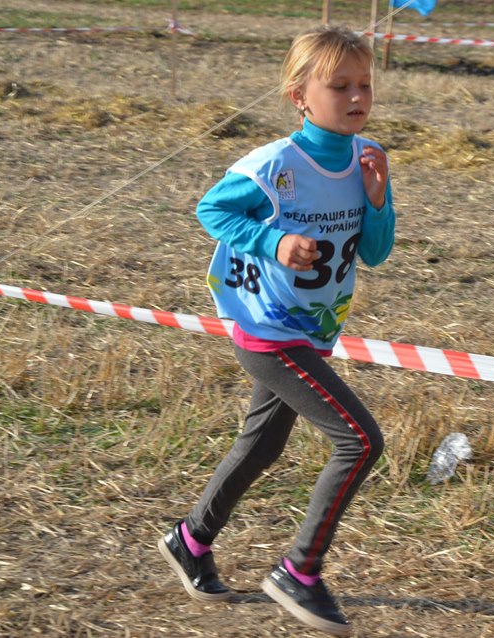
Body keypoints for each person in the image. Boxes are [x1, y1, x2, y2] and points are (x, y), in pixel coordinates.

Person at [158, 25, 394, 637]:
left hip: (314, 333)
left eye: (364, 84)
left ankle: (191, 539)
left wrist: (378, 198)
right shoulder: (274, 164)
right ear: (300, 95)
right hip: (268, 330)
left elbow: (376, 252)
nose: (355, 96)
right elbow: (211, 209)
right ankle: (300, 571)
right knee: (360, 441)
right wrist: (275, 240)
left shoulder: (367, 157)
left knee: (262, 446)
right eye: (338, 85)